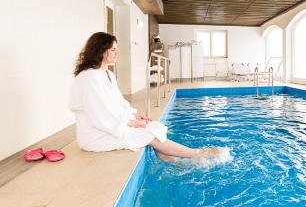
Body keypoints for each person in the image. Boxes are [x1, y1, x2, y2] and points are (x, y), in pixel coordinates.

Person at [69, 32, 221, 161]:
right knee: (149, 134)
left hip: (110, 125)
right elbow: (99, 114)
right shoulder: (89, 77)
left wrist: (133, 116)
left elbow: (117, 103)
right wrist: (129, 122)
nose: (117, 53)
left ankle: (174, 163)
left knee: (154, 126)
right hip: (96, 134)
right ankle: (195, 154)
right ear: (102, 51)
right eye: (113, 50)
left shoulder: (107, 74)